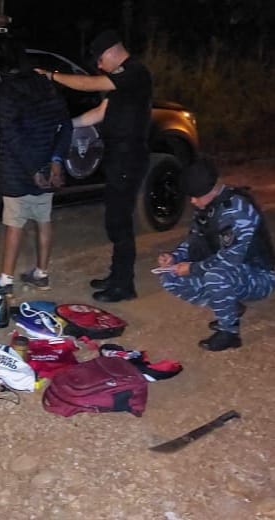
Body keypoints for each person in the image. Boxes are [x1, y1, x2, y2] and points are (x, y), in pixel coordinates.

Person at [36, 29, 152, 302]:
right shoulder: (121, 81)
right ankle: (117, 275)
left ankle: (124, 286)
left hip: (129, 157)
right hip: (118, 157)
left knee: (119, 222)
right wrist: (66, 126)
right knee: (115, 220)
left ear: (111, 52)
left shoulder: (135, 73)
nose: (99, 66)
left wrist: (52, 76)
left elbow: (90, 84)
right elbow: (100, 113)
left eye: (100, 60)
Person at [156, 157, 275, 351]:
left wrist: (193, 268)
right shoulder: (208, 205)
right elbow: (195, 239)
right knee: (170, 277)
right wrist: (175, 257)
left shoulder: (237, 209)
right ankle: (231, 306)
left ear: (211, 190)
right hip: (234, 270)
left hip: (260, 275)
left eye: (196, 196)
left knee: (216, 275)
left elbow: (230, 258)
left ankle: (229, 333)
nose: (192, 201)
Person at [0, 64, 72, 295]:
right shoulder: (50, 88)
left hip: (17, 169)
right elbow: (66, 126)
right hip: (47, 165)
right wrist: (56, 160)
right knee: (44, 220)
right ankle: (41, 274)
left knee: (14, 222)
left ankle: (5, 281)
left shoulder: (8, 91)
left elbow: (11, 135)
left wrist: (32, 170)